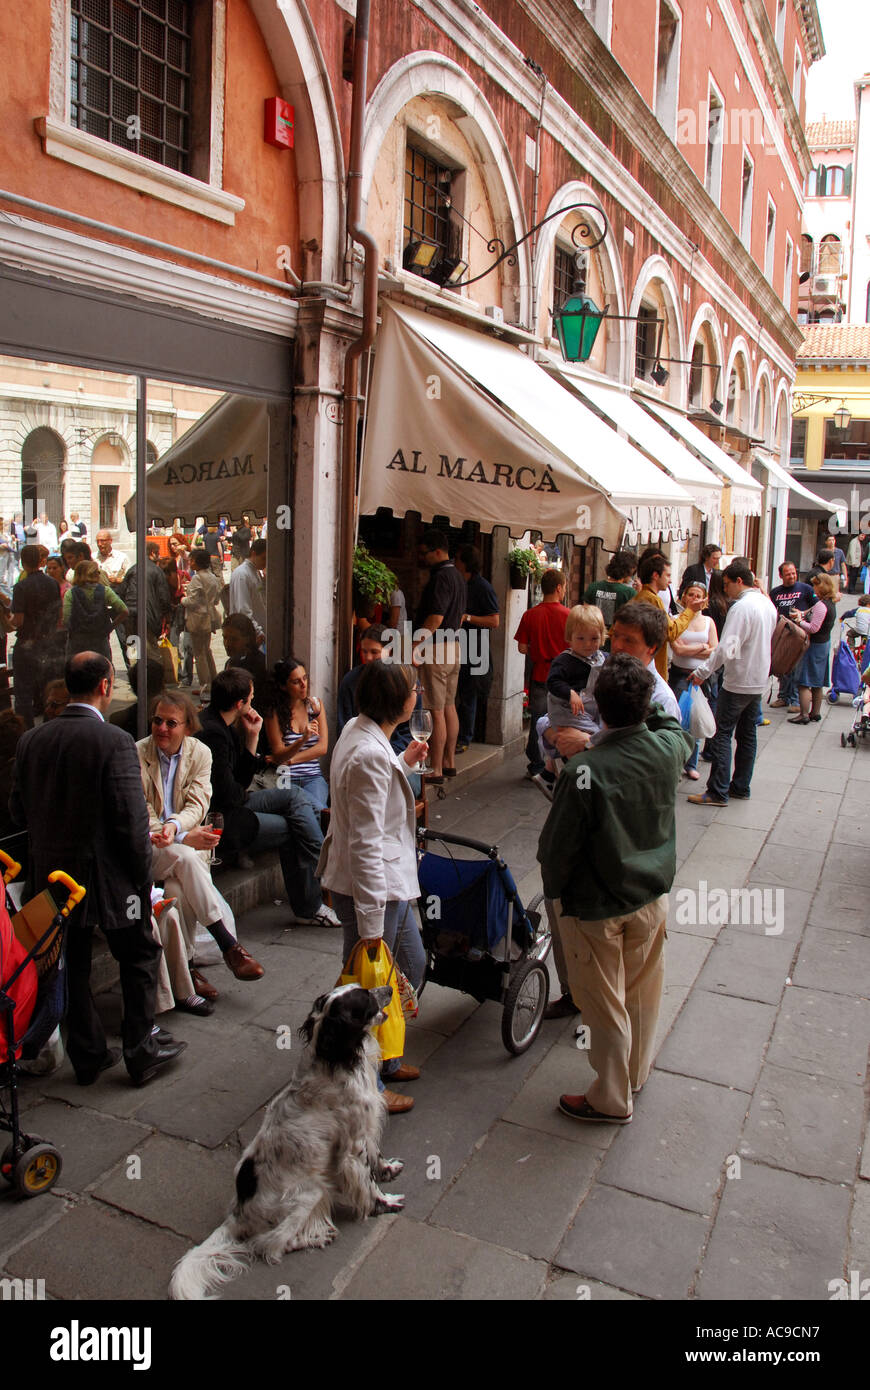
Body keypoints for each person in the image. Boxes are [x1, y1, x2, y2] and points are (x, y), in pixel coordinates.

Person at [9, 652, 185, 1086]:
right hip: (108, 878)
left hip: (53, 878)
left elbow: (17, 811)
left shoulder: (33, 740)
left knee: (72, 962)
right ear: (106, 685)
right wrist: (144, 878)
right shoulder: (113, 741)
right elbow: (130, 821)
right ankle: (140, 1050)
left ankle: (87, 1054)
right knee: (139, 956)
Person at [537, 654, 693, 1123]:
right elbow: (667, 718)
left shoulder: (587, 770)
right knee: (643, 995)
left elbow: (554, 851)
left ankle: (610, 1096)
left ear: (596, 709)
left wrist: (558, 897)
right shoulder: (670, 747)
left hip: (598, 906)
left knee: (603, 1006)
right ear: (646, 705)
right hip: (651, 896)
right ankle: (635, 1075)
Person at [317, 660, 429, 1115]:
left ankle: (387, 1057)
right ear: (400, 703)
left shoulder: (362, 735)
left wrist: (403, 761)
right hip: (374, 891)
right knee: (365, 989)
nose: (418, 692)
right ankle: (363, 1084)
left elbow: (372, 796)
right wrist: (369, 925)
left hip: (385, 885)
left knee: (410, 967)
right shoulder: (365, 750)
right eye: (413, 688)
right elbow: (365, 840)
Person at [137, 689, 264, 991]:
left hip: (184, 846)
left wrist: (176, 827)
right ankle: (228, 944)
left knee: (178, 891)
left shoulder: (200, 753)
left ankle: (186, 975)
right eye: (157, 721)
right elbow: (140, 809)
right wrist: (174, 833)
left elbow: (198, 803)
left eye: (171, 723)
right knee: (185, 856)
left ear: (187, 727)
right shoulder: (137, 753)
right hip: (149, 847)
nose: (162, 729)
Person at [196, 668, 339, 927]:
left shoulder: (224, 724)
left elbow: (240, 779)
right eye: (250, 698)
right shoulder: (213, 733)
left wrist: (252, 738)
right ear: (240, 704)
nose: (253, 703)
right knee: (291, 827)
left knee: (295, 797)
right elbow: (229, 794)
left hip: (239, 800)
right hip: (223, 816)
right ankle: (318, 890)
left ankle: (326, 867)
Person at [687, 559, 777, 807]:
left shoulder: (741, 608)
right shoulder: (766, 603)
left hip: (739, 680)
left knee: (723, 734)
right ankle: (741, 786)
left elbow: (727, 647)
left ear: (739, 581)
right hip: (758, 677)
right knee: (748, 735)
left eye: (726, 584)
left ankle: (717, 790)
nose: (724, 590)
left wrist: (703, 671)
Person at [336, 624, 423, 796]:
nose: (368, 658)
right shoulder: (351, 680)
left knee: (407, 788)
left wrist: (395, 755)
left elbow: (414, 730)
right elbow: (344, 725)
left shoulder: (407, 681)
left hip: (400, 753)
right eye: (364, 651)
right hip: (360, 754)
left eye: (374, 652)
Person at [414, 530, 466, 782]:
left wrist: (415, 644)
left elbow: (435, 617)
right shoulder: (457, 575)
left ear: (437, 551)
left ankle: (435, 769)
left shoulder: (441, 577)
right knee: (448, 706)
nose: (422, 558)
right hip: (454, 646)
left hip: (436, 648)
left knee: (435, 709)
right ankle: (449, 763)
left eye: (424, 553)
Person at [538, 604, 606, 790]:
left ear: (602, 636)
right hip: (568, 710)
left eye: (594, 638)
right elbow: (552, 682)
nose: (587, 644)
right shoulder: (565, 660)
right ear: (569, 638)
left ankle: (549, 773)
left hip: (587, 710)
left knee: (581, 741)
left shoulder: (602, 658)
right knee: (592, 740)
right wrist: (570, 693)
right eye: (581, 638)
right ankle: (578, 785)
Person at [514, 567, 570, 778]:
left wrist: (537, 648)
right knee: (562, 720)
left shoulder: (530, 615)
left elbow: (521, 647)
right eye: (564, 587)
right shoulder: (569, 615)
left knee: (538, 718)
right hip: (563, 675)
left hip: (539, 673)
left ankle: (536, 762)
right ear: (558, 588)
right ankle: (557, 762)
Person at [262, 658, 330, 813]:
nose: (303, 684)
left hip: (313, 776)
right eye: (296, 681)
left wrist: (291, 760)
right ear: (283, 686)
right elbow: (279, 755)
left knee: (318, 811)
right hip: (285, 777)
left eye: (305, 678)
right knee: (315, 811)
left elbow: (322, 747)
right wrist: (302, 740)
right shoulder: (274, 713)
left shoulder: (314, 706)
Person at [667, 582, 718, 779]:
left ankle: (691, 764)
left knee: (696, 720)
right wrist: (702, 647)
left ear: (704, 600)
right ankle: (677, 762)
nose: (695, 599)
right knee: (679, 719)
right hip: (680, 674)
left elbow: (715, 649)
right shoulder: (676, 620)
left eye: (699, 595)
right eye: (691, 595)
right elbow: (678, 649)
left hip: (702, 677)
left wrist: (697, 648)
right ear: (684, 597)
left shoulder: (709, 622)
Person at [454, 544, 499, 753]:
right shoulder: (460, 583)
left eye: (458, 560)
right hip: (458, 644)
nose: (455, 563)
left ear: (465, 563)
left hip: (475, 646)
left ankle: (464, 738)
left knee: (468, 693)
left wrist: (467, 617)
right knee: (458, 692)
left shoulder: (483, 587)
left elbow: (494, 621)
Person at [629, 553, 705, 677]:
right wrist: (690, 610)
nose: (670, 581)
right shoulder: (651, 599)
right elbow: (671, 631)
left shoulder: (645, 596)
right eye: (668, 575)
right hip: (648, 667)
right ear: (655, 575)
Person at [10, 544, 61, 727]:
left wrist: (7, 620)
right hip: (49, 644)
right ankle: (50, 727)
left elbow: (19, 620)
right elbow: (58, 614)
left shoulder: (21, 587)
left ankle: (26, 732)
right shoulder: (53, 583)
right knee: (48, 690)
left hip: (27, 644)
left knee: (23, 692)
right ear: (41, 561)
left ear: (22, 562)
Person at [787, 574, 839, 725]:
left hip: (815, 646)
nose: (813, 588)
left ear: (822, 586)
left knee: (804, 682)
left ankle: (803, 714)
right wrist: (802, 613)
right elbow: (810, 612)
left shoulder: (822, 605)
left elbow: (813, 628)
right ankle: (815, 713)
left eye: (815, 585)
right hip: (824, 644)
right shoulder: (828, 603)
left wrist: (799, 621)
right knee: (817, 682)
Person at [768, 561, 815, 711]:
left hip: (800, 634)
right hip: (783, 635)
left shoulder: (806, 589)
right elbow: (771, 610)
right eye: (788, 574)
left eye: (794, 573)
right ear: (781, 576)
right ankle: (783, 697)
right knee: (783, 666)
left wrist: (804, 615)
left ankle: (794, 700)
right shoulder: (776, 592)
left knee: (796, 667)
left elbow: (817, 606)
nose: (792, 576)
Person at [63, 560, 128, 660]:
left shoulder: (70, 593)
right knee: (102, 669)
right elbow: (124, 610)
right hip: (100, 639)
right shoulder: (105, 591)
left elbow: (66, 619)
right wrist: (111, 627)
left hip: (78, 641)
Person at [181, 550, 222, 694]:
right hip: (210, 616)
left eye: (191, 560)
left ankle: (205, 684)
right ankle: (213, 679)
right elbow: (216, 599)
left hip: (198, 618)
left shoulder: (197, 578)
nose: (190, 563)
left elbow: (192, 601)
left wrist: (182, 599)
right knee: (207, 650)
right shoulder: (212, 577)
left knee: (199, 653)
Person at [581, 551, 637, 629]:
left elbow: (584, 615)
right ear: (628, 571)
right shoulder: (630, 593)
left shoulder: (593, 587)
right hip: (616, 637)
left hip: (594, 635)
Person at [228, 538, 267, 645]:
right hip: (248, 634)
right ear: (253, 554)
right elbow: (243, 609)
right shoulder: (242, 574)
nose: (265, 563)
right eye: (263, 559)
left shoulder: (255, 572)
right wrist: (257, 632)